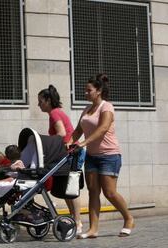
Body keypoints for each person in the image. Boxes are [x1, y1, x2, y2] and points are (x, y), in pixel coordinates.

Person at [66, 73, 134, 239]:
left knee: (109, 192)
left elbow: (103, 128)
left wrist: (83, 143)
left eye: (88, 90)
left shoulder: (107, 107)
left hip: (109, 155)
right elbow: (77, 131)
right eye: (85, 90)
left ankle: (129, 218)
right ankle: (93, 229)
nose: (85, 93)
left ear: (98, 91)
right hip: (92, 156)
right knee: (93, 192)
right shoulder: (87, 109)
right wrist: (69, 142)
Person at [38, 84, 84, 234]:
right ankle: (73, 219)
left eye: (40, 101)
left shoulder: (54, 114)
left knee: (71, 188)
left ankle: (78, 222)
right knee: (66, 189)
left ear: (48, 101)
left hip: (72, 153)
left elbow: (62, 133)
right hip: (68, 153)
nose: (39, 104)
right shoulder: (56, 113)